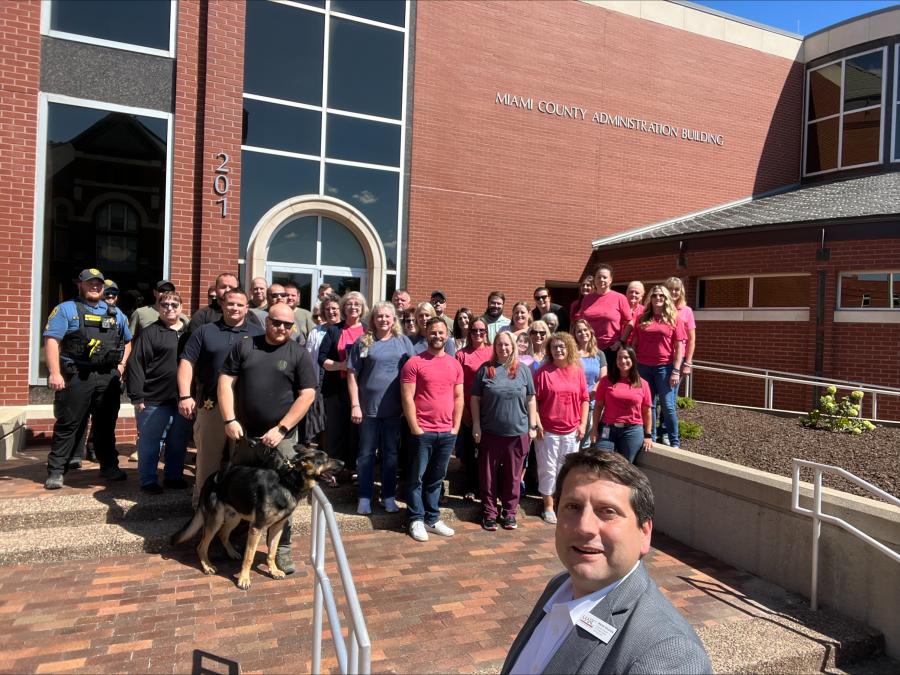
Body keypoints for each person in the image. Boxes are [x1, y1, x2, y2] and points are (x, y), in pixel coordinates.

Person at [501, 451, 711, 675]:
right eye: (573, 507)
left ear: (644, 533)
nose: (584, 527)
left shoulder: (669, 655)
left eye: (607, 512)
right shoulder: (560, 585)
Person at [218, 302, 317, 575]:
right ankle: (234, 541)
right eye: (277, 323)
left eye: (288, 325)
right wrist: (229, 419)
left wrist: (282, 428)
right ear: (266, 321)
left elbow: (307, 394)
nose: (282, 328)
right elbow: (225, 381)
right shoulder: (245, 346)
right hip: (245, 435)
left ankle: (282, 550)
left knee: (284, 496)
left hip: (280, 438)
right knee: (240, 488)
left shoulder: (298, 353)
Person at [43, 268, 132, 489]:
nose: (95, 286)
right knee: (68, 424)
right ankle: (56, 470)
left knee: (105, 425)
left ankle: (109, 465)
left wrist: (121, 367)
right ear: (80, 285)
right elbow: (52, 340)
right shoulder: (66, 309)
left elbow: (128, 341)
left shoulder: (115, 313)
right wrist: (55, 372)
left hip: (107, 376)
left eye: (98, 283)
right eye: (90, 283)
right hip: (77, 376)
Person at [178, 288, 264, 507]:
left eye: (239, 304)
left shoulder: (258, 333)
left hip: (245, 409)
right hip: (211, 406)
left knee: (243, 464)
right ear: (222, 305)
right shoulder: (205, 331)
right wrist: (185, 395)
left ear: (247, 308)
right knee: (208, 462)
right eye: (230, 303)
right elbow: (187, 363)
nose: (234, 308)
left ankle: (238, 511)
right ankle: (202, 509)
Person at [347, 301, 414, 515]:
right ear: (373, 319)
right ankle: (365, 497)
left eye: (387, 316)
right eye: (379, 316)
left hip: (394, 411)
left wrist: (408, 404)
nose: (383, 320)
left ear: (394, 319)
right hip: (368, 410)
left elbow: (413, 375)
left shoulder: (403, 342)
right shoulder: (364, 342)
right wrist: (355, 404)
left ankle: (388, 496)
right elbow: (351, 374)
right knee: (365, 454)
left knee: (391, 454)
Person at [400, 317, 463, 542]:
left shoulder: (454, 364)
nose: (437, 336)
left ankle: (432, 517)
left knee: (436, 478)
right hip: (422, 431)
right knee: (416, 477)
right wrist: (414, 427)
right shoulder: (414, 362)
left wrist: (455, 427)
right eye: (433, 332)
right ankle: (416, 518)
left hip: (446, 432)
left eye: (441, 333)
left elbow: (459, 397)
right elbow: (407, 397)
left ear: (447, 335)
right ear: (427, 334)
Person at [125, 290, 192, 493]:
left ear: (181, 308)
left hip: (181, 399)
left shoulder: (190, 334)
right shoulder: (150, 333)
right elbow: (136, 364)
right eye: (165, 305)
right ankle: (148, 480)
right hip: (153, 399)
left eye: (174, 304)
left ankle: (173, 476)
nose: (169, 308)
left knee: (178, 442)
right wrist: (137, 395)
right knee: (151, 443)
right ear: (159, 308)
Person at [471, 331, 537, 531]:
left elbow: (531, 399)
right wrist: (476, 425)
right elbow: (475, 399)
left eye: (507, 345)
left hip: (517, 434)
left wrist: (532, 426)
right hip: (490, 433)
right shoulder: (486, 369)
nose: (503, 348)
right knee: (488, 476)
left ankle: (509, 513)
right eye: (500, 344)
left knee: (514, 477)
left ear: (513, 346)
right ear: (495, 347)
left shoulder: (523, 370)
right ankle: (489, 513)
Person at [533, 332, 589, 523]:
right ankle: (548, 507)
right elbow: (534, 401)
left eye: (562, 346)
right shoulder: (543, 372)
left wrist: (582, 424)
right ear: (550, 350)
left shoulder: (577, 371)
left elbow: (584, 399)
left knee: (566, 470)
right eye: (555, 347)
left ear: (569, 348)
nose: (558, 350)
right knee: (548, 469)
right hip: (548, 430)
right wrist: (537, 423)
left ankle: (563, 505)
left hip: (572, 430)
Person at [626, 286, 686, 449]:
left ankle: (674, 441)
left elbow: (679, 348)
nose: (658, 297)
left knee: (668, 405)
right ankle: (650, 436)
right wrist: (633, 365)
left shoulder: (675, 319)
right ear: (650, 299)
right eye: (655, 295)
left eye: (661, 295)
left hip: (664, 368)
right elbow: (634, 343)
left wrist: (675, 370)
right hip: (643, 367)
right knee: (648, 404)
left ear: (666, 298)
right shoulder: (642, 318)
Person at [319, 291, 368, 474]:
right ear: (343, 307)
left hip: (360, 389)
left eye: (357, 304)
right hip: (336, 389)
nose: (353, 307)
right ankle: (334, 471)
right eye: (349, 304)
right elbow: (321, 359)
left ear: (362, 309)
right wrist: (342, 365)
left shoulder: (367, 331)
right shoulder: (334, 330)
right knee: (335, 431)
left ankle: (353, 468)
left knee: (356, 431)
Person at [591, 346, 653, 463]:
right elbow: (598, 407)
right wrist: (594, 430)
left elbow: (647, 411)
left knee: (625, 465)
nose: (623, 361)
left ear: (633, 360)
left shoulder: (643, 384)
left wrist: (648, 435)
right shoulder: (606, 381)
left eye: (626, 357)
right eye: (619, 358)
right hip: (607, 428)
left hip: (632, 430)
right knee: (602, 461)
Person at [454, 316, 492, 501]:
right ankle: (471, 486)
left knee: (488, 452)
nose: (478, 333)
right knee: (470, 452)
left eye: (481, 330)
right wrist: (464, 413)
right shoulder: (462, 354)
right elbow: (457, 384)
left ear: (486, 333)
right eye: (474, 330)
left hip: (492, 411)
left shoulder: (493, 352)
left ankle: (488, 487)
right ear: (469, 333)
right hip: (469, 411)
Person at [578, 263, 632, 367]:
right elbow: (581, 322)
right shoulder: (587, 299)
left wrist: (621, 341)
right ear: (594, 279)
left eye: (605, 277)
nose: (601, 280)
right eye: (598, 277)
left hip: (611, 348)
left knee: (609, 380)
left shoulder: (619, 298)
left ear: (610, 280)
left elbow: (630, 322)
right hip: (589, 347)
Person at [573, 319, 608, 450]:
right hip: (575, 404)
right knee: (575, 440)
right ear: (575, 335)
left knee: (587, 443)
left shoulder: (599, 354)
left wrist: (594, 390)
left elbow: (603, 378)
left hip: (593, 403)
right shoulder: (572, 354)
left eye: (585, 330)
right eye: (579, 331)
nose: (582, 333)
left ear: (590, 332)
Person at [189, 272, 262, 334]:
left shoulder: (250, 317)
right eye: (223, 287)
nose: (227, 290)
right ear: (216, 290)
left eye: (231, 287)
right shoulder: (202, 316)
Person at [665, 276, 696, 386]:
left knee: (671, 393)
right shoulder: (659, 308)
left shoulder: (687, 311)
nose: (673, 292)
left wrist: (688, 362)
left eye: (677, 289)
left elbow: (691, 340)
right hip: (660, 357)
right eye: (670, 289)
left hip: (678, 358)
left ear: (681, 291)